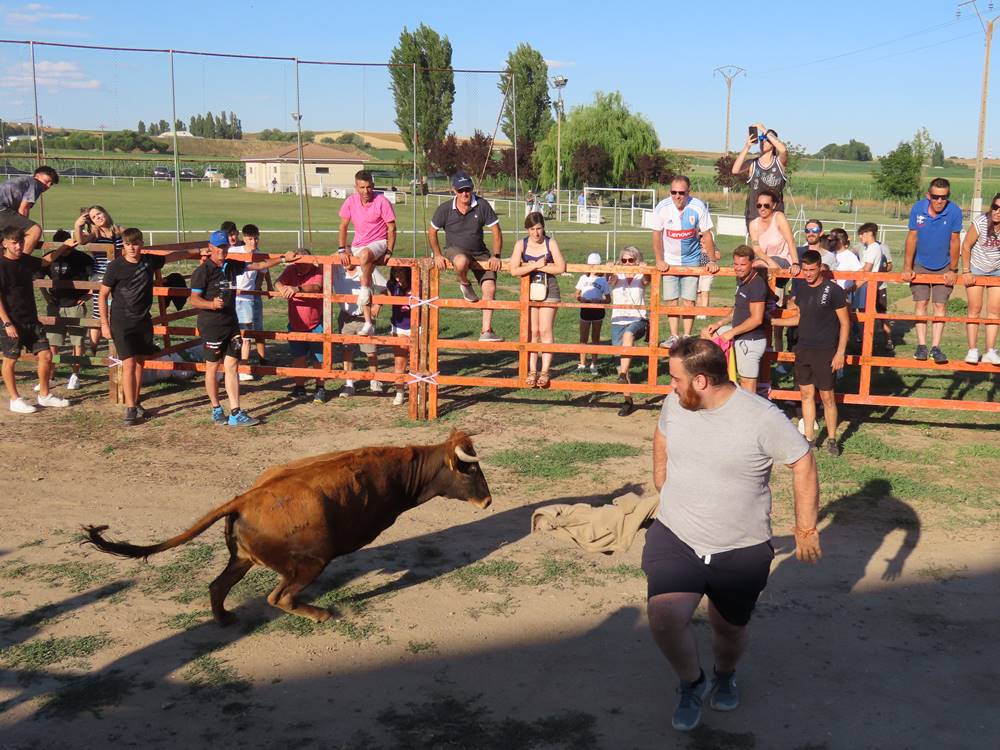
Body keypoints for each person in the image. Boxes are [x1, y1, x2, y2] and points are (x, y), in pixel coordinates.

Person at [644, 337, 820, 733]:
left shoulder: (761, 417)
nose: (670, 386)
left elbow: (802, 460)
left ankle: (724, 673)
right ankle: (691, 682)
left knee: (728, 629)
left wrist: (805, 527)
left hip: (740, 547)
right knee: (664, 618)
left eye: (675, 378)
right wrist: (661, 478)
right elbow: (662, 435)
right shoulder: (676, 403)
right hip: (677, 534)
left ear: (702, 380)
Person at [189, 230, 296, 426]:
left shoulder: (231, 265)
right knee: (212, 367)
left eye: (225, 247)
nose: (222, 250)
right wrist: (211, 304)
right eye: (218, 247)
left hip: (231, 323)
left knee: (232, 365)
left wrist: (283, 258)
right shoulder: (202, 272)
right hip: (211, 325)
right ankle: (216, 408)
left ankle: (235, 411)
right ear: (211, 247)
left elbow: (259, 265)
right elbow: (194, 299)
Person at [99, 228, 193, 425]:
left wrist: (195, 252)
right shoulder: (115, 266)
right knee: (129, 363)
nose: (132, 248)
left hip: (143, 321)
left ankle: (136, 399)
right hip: (121, 321)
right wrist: (104, 324)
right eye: (128, 244)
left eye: (135, 243)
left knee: (141, 362)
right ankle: (130, 408)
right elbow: (103, 295)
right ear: (123, 246)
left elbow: (172, 256)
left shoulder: (149, 261)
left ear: (141, 243)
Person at [772, 249, 850, 455]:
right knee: (806, 394)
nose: (807, 273)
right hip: (803, 348)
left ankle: (832, 439)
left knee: (827, 397)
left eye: (812, 269)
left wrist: (840, 352)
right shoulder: (802, 290)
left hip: (826, 351)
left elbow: (845, 323)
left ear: (820, 268)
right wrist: (773, 321)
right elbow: (800, 319)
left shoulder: (833, 291)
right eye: (805, 270)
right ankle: (809, 438)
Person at [0, 225, 75, 413]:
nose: (18, 246)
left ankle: (44, 395)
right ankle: (15, 399)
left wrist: (63, 247)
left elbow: (43, 262)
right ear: (4, 243)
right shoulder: (1, 266)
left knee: (46, 354)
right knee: (10, 359)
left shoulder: (25, 260)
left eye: (21, 242)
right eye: (14, 243)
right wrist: (7, 322)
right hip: (10, 321)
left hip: (31, 318)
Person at [428, 170, 504, 342]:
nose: (465, 193)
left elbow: (496, 231)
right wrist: (438, 255)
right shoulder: (445, 209)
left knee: (490, 288)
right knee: (461, 261)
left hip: (480, 253)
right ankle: (464, 283)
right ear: (454, 190)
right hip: (455, 250)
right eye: (461, 190)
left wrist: (496, 255)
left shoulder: (482, 205)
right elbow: (432, 231)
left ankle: (486, 330)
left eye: (468, 189)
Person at [650, 175, 719, 346]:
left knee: (689, 299)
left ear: (689, 192)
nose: (677, 196)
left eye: (681, 192)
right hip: (669, 261)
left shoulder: (698, 206)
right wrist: (659, 259)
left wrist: (711, 260)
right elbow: (656, 234)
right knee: (671, 299)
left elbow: (707, 234)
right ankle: (674, 336)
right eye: (673, 192)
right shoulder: (662, 207)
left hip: (691, 259)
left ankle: (687, 336)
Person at [901, 178, 962, 364]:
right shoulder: (918, 208)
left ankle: (936, 347)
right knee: (921, 303)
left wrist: (953, 269)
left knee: (939, 306)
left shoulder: (954, 211)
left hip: (943, 265)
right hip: (920, 262)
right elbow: (912, 238)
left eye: (944, 197)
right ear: (929, 196)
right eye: (935, 197)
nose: (939, 201)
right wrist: (907, 267)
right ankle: (921, 346)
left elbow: (955, 241)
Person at [702, 245, 770, 394]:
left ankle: (750, 414)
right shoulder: (742, 280)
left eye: (743, 264)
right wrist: (719, 324)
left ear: (752, 263)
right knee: (707, 333)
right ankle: (717, 382)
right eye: (736, 264)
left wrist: (731, 333)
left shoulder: (757, 285)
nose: (738, 268)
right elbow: (738, 308)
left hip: (751, 340)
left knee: (747, 382)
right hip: (740, 335)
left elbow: (757, 319)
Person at [510, 212, 566, 388]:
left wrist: (544, 267)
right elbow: (513, 270)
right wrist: (535, 265)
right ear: (527, 229)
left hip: (549, 289)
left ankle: (545, 371)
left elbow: (560, 267)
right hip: (530, 291)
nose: (536, 233)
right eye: (532, 229)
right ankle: (532, 371)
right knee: (533, 331)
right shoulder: (521, 244)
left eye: (539, 228)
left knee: (545, 330)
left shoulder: (551, 243)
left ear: (544, 228)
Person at [338, 170, 397, 336]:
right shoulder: (351, 201)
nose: (366, 191)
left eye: (369, 187)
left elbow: (391, 227)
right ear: (356, 187)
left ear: (373, 185)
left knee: (364, 257)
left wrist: (389, 250)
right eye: (362, 187)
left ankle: (365, 290)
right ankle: (368, 322)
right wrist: (342, 249)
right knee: (364, 270)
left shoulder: (382, 201)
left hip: (378, 242)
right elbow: (343, 225)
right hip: (358, 244)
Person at [749, 188, 799, 364]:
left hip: (782, 263)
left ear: (774, 205)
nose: (762, 208)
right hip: (766, 265)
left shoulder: (779, 218)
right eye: (759, 205)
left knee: (755, 269)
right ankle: (764, 350)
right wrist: (769, 262)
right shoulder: (754, 223)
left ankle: (775, 355)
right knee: (770, 308)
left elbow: (791, 241)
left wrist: (795, 263)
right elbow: (756, 249)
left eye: (766, 205)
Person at [44, 227, 94, 391]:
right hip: (55, 306)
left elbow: (98, 277)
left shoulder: (82, 258)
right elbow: (36, 276)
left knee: (77, 342)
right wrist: (45, 294)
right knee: (52, 343)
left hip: (75, 305)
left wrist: (88, 295)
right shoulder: (51, 257)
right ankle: (51, 375)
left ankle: (75, 375)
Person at [274, 250, 327, 402]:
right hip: (296, 323)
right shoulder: (291, 269)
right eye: (298, 263)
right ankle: (299, 388)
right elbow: (278, 281)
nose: (301, 267)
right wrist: (281, 288)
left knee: (319, 358)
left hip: (315, 323)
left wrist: (297, 288)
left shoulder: (318, 270)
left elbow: (316, 286)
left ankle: (320, 388)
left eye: (304, 264)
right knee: (298, 357)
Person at [74, 204, 123, 356]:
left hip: (120, 276)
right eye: (94, 217)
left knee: (118, 310)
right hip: (102, 276)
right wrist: (78, 225)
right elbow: (81, 241)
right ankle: (92, 348)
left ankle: (119, 347)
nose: (98, 218)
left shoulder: (119, 230)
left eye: (99, 214)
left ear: (106, 213)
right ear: (92, 222)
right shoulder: (95, 232)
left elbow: (133, 239)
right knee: (98, 312)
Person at [333, 259, 384, 398]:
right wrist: (340, 253)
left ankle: (374, 380)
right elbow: (322, 265)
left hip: (364, 316)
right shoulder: (337, 271)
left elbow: (384, 287)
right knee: (347, 350)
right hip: (346, 317)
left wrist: (377, 306)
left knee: (370, 351)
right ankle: (349, 383)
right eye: (343, 257)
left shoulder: (366, 268)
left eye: (349, 257)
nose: (346, 260)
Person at [960, 193, 1000, 365]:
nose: (997, 211)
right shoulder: (981, 222)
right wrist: (967, 271)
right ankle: (972, 350)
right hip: (976, 269)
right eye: (995, 207)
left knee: (994, 311)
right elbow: (966, 245)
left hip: (997, 270)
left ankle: (990, 350)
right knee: (974, 309)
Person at [609, 246, 649, 417]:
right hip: (618, 320)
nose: (627, 263)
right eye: (624, 260)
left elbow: (648, 277)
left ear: (637, 260)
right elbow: (609, 279)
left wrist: (643, 266)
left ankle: (624, 374)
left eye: (630, 260)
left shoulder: (641, 275)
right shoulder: (617, 275)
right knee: (620, 360)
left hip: (637, 319)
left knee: (628, 336)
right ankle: (628, 400)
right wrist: (610, 267)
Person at [731, 124, 788, 227]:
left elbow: (783, 150)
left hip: (775, 216)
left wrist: (764, 130)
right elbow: (735, 170)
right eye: (761, 138)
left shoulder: (779, 162)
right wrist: (747, 146)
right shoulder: (753, 163)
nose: (763, 141)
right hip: (755, 215)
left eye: (766, 139)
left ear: (773, 143)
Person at [233, 224, 271, 377]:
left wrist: (256, 289)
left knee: (247, 334)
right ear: (244, 239)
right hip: (232, 297)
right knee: (232, 332)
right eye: (250, 239)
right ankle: (232, 363)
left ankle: (243, 366)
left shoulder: (260, 255)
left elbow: (263, 271)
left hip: (247, 298)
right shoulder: (234, 252)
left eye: (255, 238)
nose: (253, 242)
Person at [0, 165, 58, 256]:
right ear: (37, 176)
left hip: (4, 211)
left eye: (51, 184)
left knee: (5, 240)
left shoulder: (23, 181)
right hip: (2, 210)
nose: (47, 186)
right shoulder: (35, 183)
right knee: (34, 230)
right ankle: (21, 264)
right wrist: (20, 233)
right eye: (46, 181)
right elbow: (24, 208)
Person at [856, 223, 891, 350]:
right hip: (867, 285)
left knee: (877, 314)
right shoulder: (867, 247)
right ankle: (866, 340)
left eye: (863, 234)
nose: (860, 237)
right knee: (864, 313)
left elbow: (868, 268)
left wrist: (853, 275)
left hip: (871, 286)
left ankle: (879, 341)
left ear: (871, 233)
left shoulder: (873, 247)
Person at [575, 252, 610, 373]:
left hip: (598, 310)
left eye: (595, 265)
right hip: (585, 309)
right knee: (583, 338)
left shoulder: (603, 280)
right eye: (590, 265)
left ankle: (594, 364)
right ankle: (582, 364)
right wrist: (581, 299)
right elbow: (577, 294)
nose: (593, 268)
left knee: (595, 337)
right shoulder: (583, 278)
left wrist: (599, 300)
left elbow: (608, 299)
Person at [386, 266, 413, 406]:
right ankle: (400, 392)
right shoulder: (392, 285)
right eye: (395, 272)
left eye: (401, 271)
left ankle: (417, 391)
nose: (398, 275)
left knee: (417, 361)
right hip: (399, 327)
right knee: (399, 361)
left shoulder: (418, 284)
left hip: (417, 327)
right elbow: (385, 294)